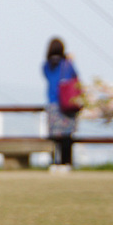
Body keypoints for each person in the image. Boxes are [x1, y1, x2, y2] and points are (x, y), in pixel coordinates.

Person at [42, 37, 78, 169]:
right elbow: (75, 77)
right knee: (67, 136)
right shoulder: (67, 64)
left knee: (55, 136)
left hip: (52, 104)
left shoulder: (46, 65)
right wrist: (69, 60)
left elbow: (47, 76)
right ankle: (66, 162)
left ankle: (54, 162)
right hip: (66, 103)